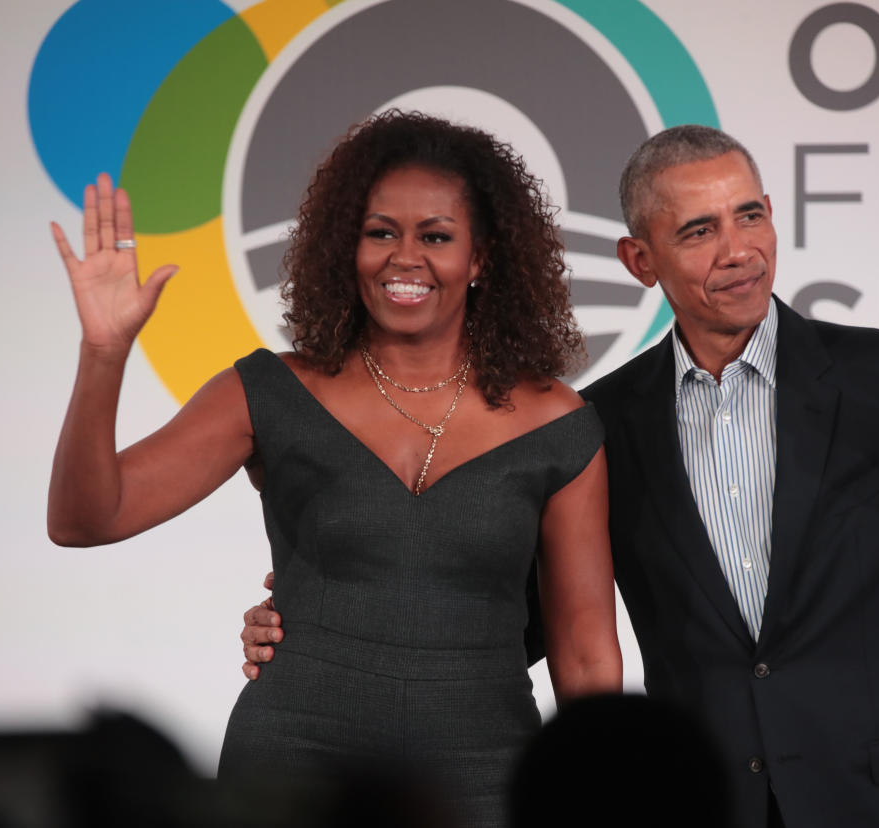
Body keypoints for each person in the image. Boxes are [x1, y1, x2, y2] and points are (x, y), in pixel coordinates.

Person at [242, 125, 879, 827]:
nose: (738, 251)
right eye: (699, 231)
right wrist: (324, 618)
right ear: (639, 259)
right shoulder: (596, 423)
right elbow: (518, 624)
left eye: (750, 216)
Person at [47, 111, 622, 827]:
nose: (403, 258)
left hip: (486, 777)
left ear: (481, 259)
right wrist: (104, 351)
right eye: (380, 232)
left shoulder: (556, 424)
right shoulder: (272, 393)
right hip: (291, 771)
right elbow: (84, 519)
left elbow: (588, 658)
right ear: (345, 246)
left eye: (436, 236)